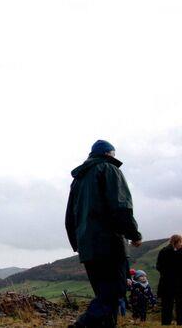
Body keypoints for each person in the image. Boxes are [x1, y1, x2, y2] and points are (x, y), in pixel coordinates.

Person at [65, 140, 142, 328]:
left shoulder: (78, 180)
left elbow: (69, 218)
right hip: (109, 244)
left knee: (105, 296)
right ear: (109, 153)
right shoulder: (109, 169)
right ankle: (81, 325)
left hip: (88, 247)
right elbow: (121, 206)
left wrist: (78, 243)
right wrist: (134, 234)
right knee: (114, 292)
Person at [156, 234, 182, 325]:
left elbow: (158, 266)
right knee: (170, 304)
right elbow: (159, 266)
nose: (181, 244)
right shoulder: (166, 252)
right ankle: (175, 322)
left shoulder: (163, 251)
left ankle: (168, 322)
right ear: (177, 242)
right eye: (180, 242)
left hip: (167, 282)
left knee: (169, 304)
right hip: (173, 282)